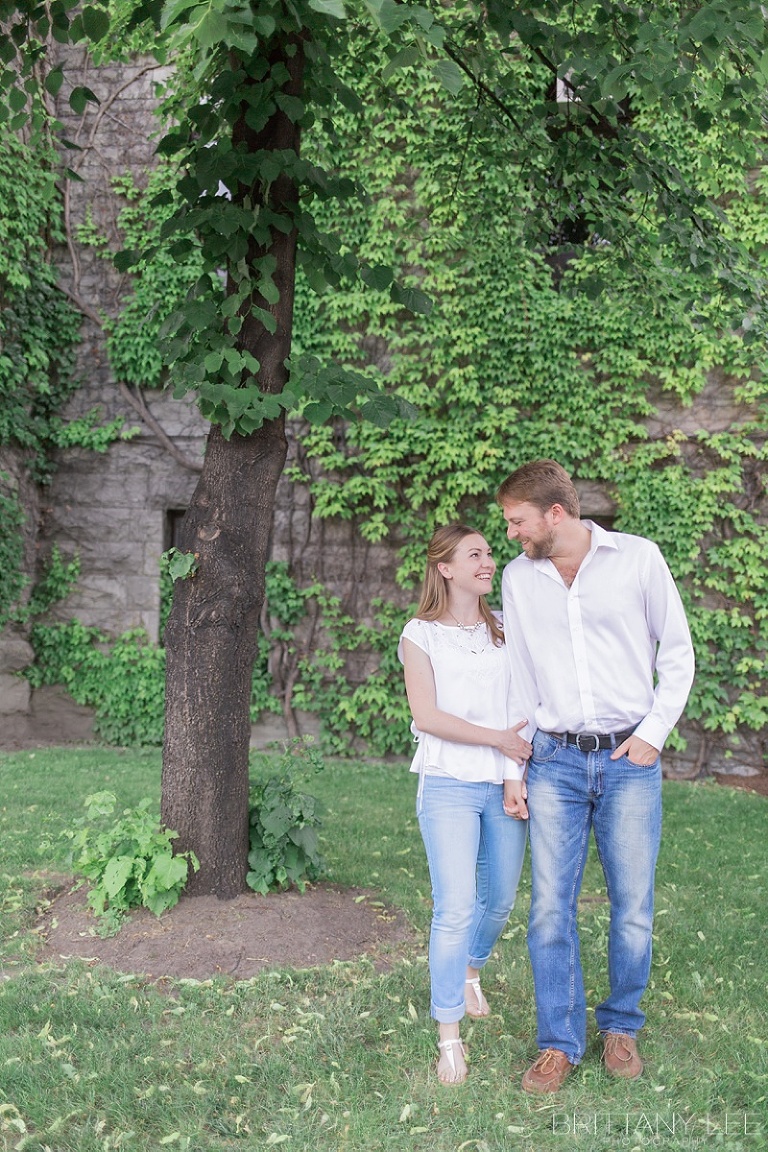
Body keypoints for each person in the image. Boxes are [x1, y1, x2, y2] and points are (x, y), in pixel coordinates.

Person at [497, 459, 695, 1093]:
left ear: (556, 515)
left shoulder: (638, 559)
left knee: (632, 906)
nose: (511, 535)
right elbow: (519, 676)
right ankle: (559, 1042)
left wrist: (651, 735)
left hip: (628, 762)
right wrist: (515, 765)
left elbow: (679, 652)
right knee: (550, 910)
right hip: (553, 760)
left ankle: (621, 1027)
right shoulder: (518, 579)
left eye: (517, 521)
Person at [398, 524, 531, 1086]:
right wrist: (495, 739)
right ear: (445, 567)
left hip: (501, 781)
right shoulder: (419, 634)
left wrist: (511, 773)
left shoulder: (505, 626)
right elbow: (426, 717)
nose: (488, 560)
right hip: (448, 782)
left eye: (488, 552)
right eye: (474, 553)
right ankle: (448, 1035)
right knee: (454, 908)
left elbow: (519, 706)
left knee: (499, 897)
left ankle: (472, 969)